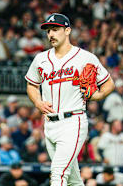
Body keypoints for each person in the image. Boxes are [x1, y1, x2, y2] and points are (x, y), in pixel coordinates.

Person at [24, 13, 114, 186]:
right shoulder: (41, 59)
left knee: (58, 174)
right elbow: (31, 85)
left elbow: (108, 83)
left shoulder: (85, 57)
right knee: (74, 180)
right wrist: (37, 102)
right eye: (48, 31)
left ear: (67, 31)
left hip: (73, 121)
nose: (51, 34)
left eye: (55, 30)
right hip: (49, 123)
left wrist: (98, 95)